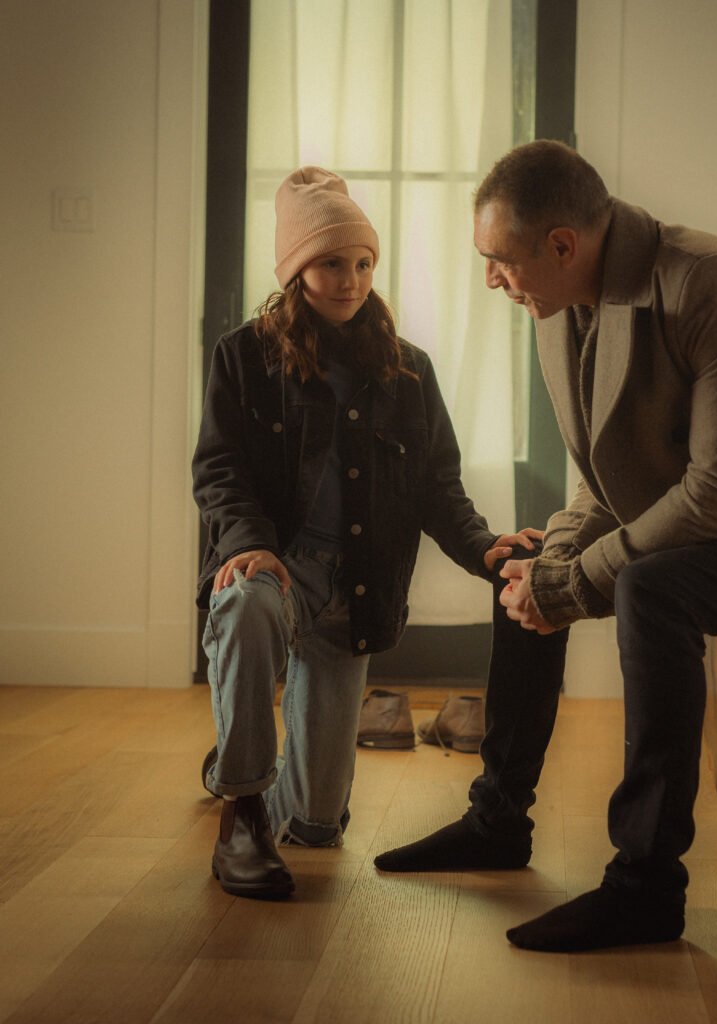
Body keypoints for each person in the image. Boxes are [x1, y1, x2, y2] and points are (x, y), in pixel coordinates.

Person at [374, 140, 717, 952]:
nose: (490, 279)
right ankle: (496, 821)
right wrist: (547, 570)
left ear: (563, 245)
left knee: (650, 591)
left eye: (499, 260)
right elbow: (607, 477)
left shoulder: (714, 284)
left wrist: (574, 587)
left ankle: (645, 888)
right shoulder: (556, 308)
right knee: (522, 562)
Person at [192, 166, 546, 898]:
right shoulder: (244, 357)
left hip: (356, 588)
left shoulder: (407, 370)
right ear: (295, 270)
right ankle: (242, 810)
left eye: (362, 263)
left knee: (320, 828)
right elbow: (220, 469)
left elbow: (437, 486)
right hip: (278, 569)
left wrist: (485, 546)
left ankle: (240, 758)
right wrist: (246, 545)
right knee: (245, 603)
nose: (350, 279)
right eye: (330, 263)